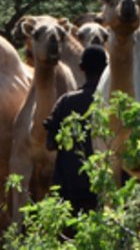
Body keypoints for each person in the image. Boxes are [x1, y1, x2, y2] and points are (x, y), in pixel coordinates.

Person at [44, 44, 109, 212]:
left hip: (70, 191)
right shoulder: (115, 103)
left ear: (81, 68)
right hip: (106, 188)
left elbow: (50, 144)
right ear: (107, 68)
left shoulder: (66, 102)